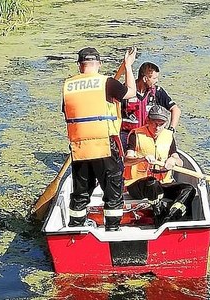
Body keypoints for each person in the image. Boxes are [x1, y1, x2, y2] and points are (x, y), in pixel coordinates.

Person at [62, 46, 137, 231]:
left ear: (80, 66)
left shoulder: (68, 86)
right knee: (113, 191)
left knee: (80, 193)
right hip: (104, 144)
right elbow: (131, 93)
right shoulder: (107, 83)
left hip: (80, 147)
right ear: (99, 64)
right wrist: (128, 66)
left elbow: (67, 113)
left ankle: (75, 228)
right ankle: (112, 228)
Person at [123, 105, 195, 227]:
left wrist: (173, 160)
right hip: (138, 184)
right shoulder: (136, 135)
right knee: (152, 183)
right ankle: (158, 214)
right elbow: (126, 160)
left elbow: (179, 161)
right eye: (154, 123)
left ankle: (170, 217)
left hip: (163, 183)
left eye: (161, 124)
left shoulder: (168, 136)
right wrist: (142, 158)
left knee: (189, 189)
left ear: (166, 124)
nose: (157, 127)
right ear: (147, 121)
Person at [120, 62, 182, 150]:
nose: (157, 81)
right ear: (145, 78)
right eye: (154, 78)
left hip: (148, 135)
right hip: (128, 136)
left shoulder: (157, 92)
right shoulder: (125, 91)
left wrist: (171, 130)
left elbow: (176, 110)